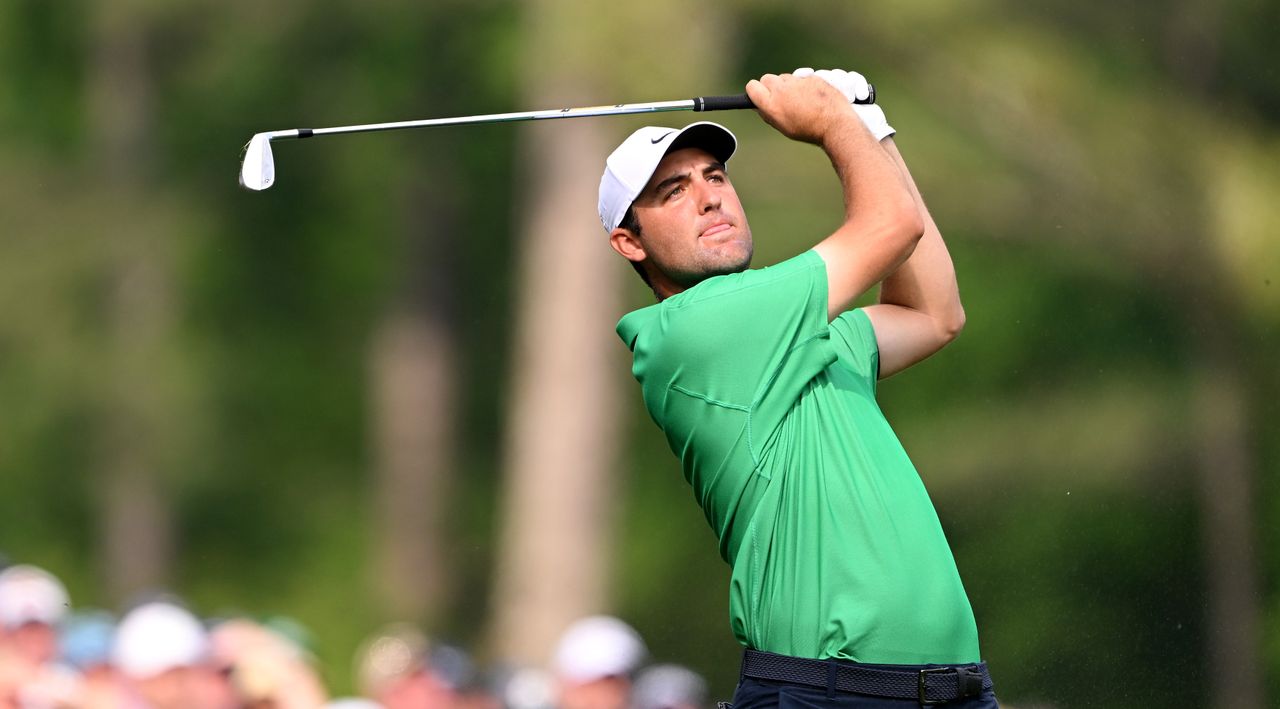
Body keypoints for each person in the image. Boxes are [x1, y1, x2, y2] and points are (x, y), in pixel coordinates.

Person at [598, 68, 997, 708]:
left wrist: (871, 125)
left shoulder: (794, 333)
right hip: (830, 690)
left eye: (716, 177)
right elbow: (893, 225)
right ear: (629, 242)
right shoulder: (692, 331)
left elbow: (933, 315)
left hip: (947, 690)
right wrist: (833, 119)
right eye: (673, 192)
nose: (709, 198)